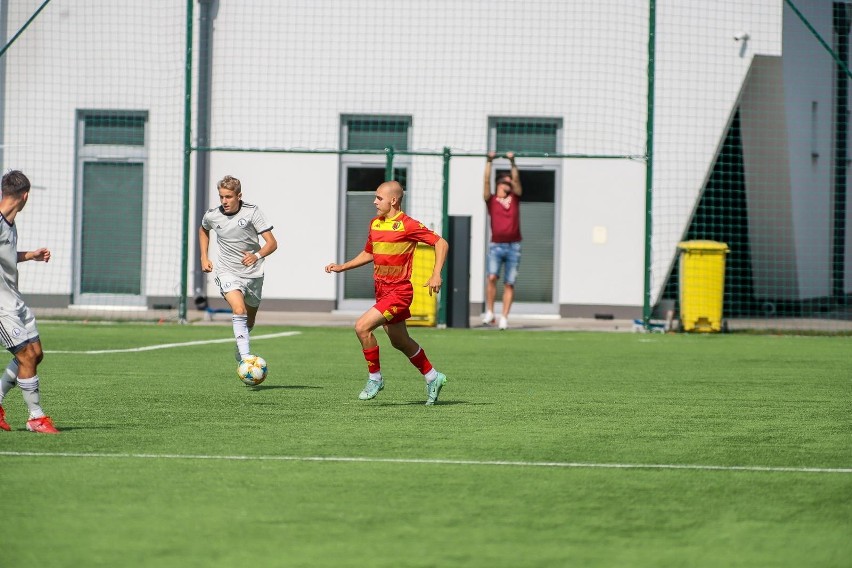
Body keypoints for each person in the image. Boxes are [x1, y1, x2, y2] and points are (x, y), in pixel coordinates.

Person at [325, 180, 449, 405]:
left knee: (362, 327)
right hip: (382, 291)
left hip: (399, 292)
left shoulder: (407, 225)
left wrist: (436, 274)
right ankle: (433, 376)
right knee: (400, 341)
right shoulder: (375, 224)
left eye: (378, 198)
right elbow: (369, 253)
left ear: (393, 200)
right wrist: (343, 266)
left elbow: (441, 243)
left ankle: (375, 378)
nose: (374, 202)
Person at [0, 170, 59, 434]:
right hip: (1, 307)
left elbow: (7, 255)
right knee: (25, 355)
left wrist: (30, 255)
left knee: (36, 355)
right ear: (25, 196)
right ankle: (36, 417)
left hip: (15, 300)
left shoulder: (9, 224)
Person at [199, 175, 278, 365]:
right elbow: (203, 229)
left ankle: (241, 346)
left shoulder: (252, 212)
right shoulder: (212, 215)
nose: (224, 201)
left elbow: (272, 243)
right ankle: (246, 359)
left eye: (228, 197)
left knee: (249, 321)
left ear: (239, 196)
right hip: (228, 272)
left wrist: (256, 256)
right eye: (221, 197)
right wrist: (204, 256)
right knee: (239, 309)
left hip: (254, 274)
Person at [482, 151, 523, 330]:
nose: (509, 185)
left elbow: (517, 181)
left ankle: (504, 317)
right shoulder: (491, 200)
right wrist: (489, 161)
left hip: (514, 246)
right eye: (505, 182)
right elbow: (485, 181)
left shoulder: (514, 198)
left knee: (509, 282)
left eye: (510, 183)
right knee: (491, 277)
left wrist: (512, 162)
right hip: (496, 245)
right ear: (499, 184)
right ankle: (490, 312)